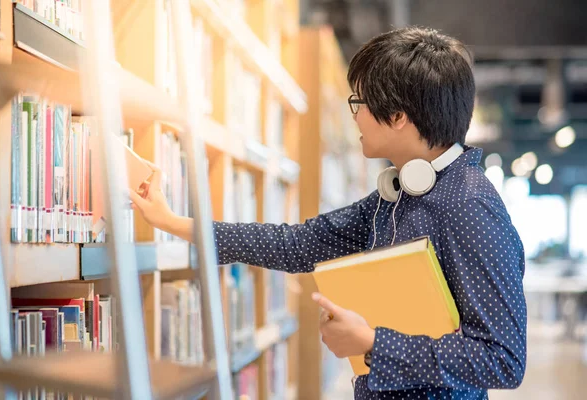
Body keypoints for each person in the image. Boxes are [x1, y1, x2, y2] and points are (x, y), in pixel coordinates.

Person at [130, 26, 527, 400]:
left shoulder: (470, 206)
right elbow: (295, 245)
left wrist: (373, 343)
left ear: (398, 116)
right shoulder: (396, 196)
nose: (355, 115)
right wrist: (171, 221)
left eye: (361, 103)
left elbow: (503, 359)